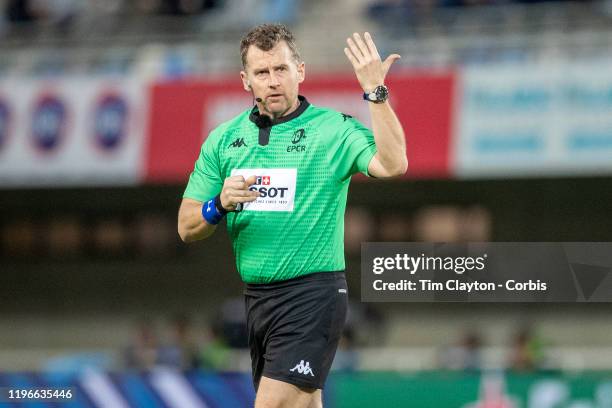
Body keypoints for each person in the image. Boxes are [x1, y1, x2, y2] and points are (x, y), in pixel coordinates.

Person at [178, 23, 407, 408]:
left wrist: (375, 92)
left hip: (313, 295)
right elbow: (187, 227)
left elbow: (393, 163)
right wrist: (217, 203)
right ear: (245, 80)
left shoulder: (332, 130)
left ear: (300, 71)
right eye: (262, 73)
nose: (273, 81)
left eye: (281, 69)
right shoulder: (223, 141)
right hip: (258, 302)